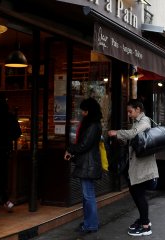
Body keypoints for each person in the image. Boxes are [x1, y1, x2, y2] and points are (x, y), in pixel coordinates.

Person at [108, 99, 159, 237]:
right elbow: (133, 139)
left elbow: (133, 134)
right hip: (137, 166)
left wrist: (116, 133)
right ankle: (143, 219)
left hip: (143, 167)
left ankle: (146, 225)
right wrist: (122, 139)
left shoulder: (144, 121)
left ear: (138, 109)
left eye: (130, 111)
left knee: (139, 195)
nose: (129, 114)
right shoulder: (137, 122)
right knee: (136, 193)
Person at [64, 97, 102, 235]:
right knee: (88, 195)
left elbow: (84, 145)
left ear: (89, 111)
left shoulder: (92, 125)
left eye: (84, 111)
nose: (82, 114)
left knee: (88, 196)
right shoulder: (92, 123)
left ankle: (91, 224)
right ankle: (90, 221)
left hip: (88, 165)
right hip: (87, 163)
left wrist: (70, 149)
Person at [0, 95, 21, 217]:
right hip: (5, 151)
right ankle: (3, 202)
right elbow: (18, 133)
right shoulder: (10, 117)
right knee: (2, 177)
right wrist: (9, 138)